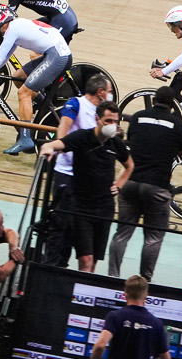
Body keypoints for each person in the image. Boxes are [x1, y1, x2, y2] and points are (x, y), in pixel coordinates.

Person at [0, 1, 74, 155]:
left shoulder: (13, 29)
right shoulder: (14, 27)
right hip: (53, 53)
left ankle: (25, 139)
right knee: (18, 77)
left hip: (57, 56)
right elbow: (3, 59)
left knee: (24, 93)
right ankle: (43, 106)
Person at [109, 103, 182, 282]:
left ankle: (112, 276)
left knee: (122, 233)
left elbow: (131, 135)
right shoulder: (177, 124)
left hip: (131, 182)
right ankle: (145, 281)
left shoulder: (137, 116)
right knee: (153, 238)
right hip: (157, 187)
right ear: (170, 105)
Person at [39, 104, 128, 274]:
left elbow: (129, 165)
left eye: (115, 122)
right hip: (82, 208)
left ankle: (85, 293)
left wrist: (119, 185)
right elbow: (58, 144)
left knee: (93, 262)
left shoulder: (115, 143)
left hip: (105, 208)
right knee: (85, 260)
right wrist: (48, 147)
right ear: (97, 119)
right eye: (108, 120)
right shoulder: (83, 137)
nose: (112, 125)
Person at [87, 275, 168, 359]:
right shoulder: (156, 324)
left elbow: (100, 346)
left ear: (125, 294)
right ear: (146, 295)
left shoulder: (115, 317)